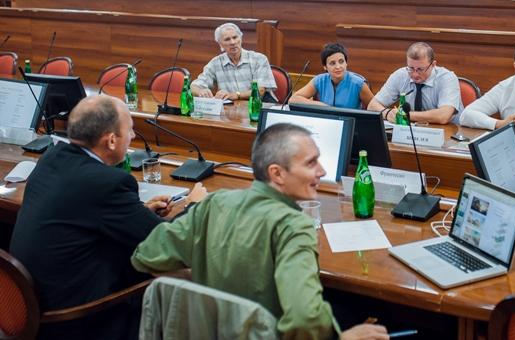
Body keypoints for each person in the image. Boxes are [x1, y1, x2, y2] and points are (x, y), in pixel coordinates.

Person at [131, 124, 388, 340]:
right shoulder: (294, 226)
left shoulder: (215, 203)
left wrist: (203, 282)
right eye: (311, 163)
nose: (322, 171)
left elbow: (147, 256)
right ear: (277, 173)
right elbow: (303, 321)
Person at [9, 95, 207, 340]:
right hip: (79, 322)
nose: (133, 136)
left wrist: (140, 213)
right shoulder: (107, 183)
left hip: (33, 311)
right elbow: (167, 242)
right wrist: (194, 206)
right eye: (130, 129)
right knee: (188, 278)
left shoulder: (51, 158)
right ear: (112, 140)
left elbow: (87, 216)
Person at [367, 42, 462, 124]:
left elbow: (443, 116)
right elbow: (372, 106)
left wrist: (404, 115)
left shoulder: (447, 78)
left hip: (448, 133)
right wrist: (387, 114)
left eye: (420, 69)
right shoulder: (400, 75)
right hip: (412, 131)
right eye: (411, 68)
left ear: (433, 65)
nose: (415, 74)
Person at [191, 22, 277, 102]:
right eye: (227, 39)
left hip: (258, 105)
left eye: (235, 37)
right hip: (232, 109)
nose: (233, 42)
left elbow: (260, 90)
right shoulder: (215, 63)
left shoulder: (259, 59)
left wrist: (236, 95)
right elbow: (193, 86)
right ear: (220, 44)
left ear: (241, 38)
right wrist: (201, 91)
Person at [289, 42, 374, 109]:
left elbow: (375, 107)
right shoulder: (319, 80)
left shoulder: (359, 84)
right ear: (325, 67)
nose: (338, 67)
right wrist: (322, 106)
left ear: (346, 63)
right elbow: (293, 99)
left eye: (341, 61)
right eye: (332, 63)